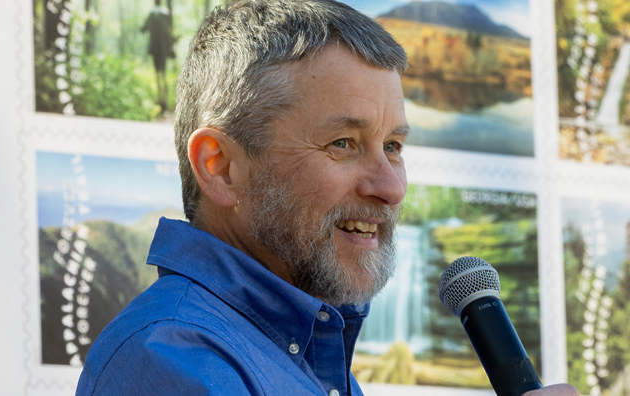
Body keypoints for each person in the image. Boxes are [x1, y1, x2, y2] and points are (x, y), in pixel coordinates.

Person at [76, 1, 580, 395]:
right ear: (220, 167)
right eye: (343, 144)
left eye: (393, 147)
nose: (391, 187)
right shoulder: (172, 359)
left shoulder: (306, 354)